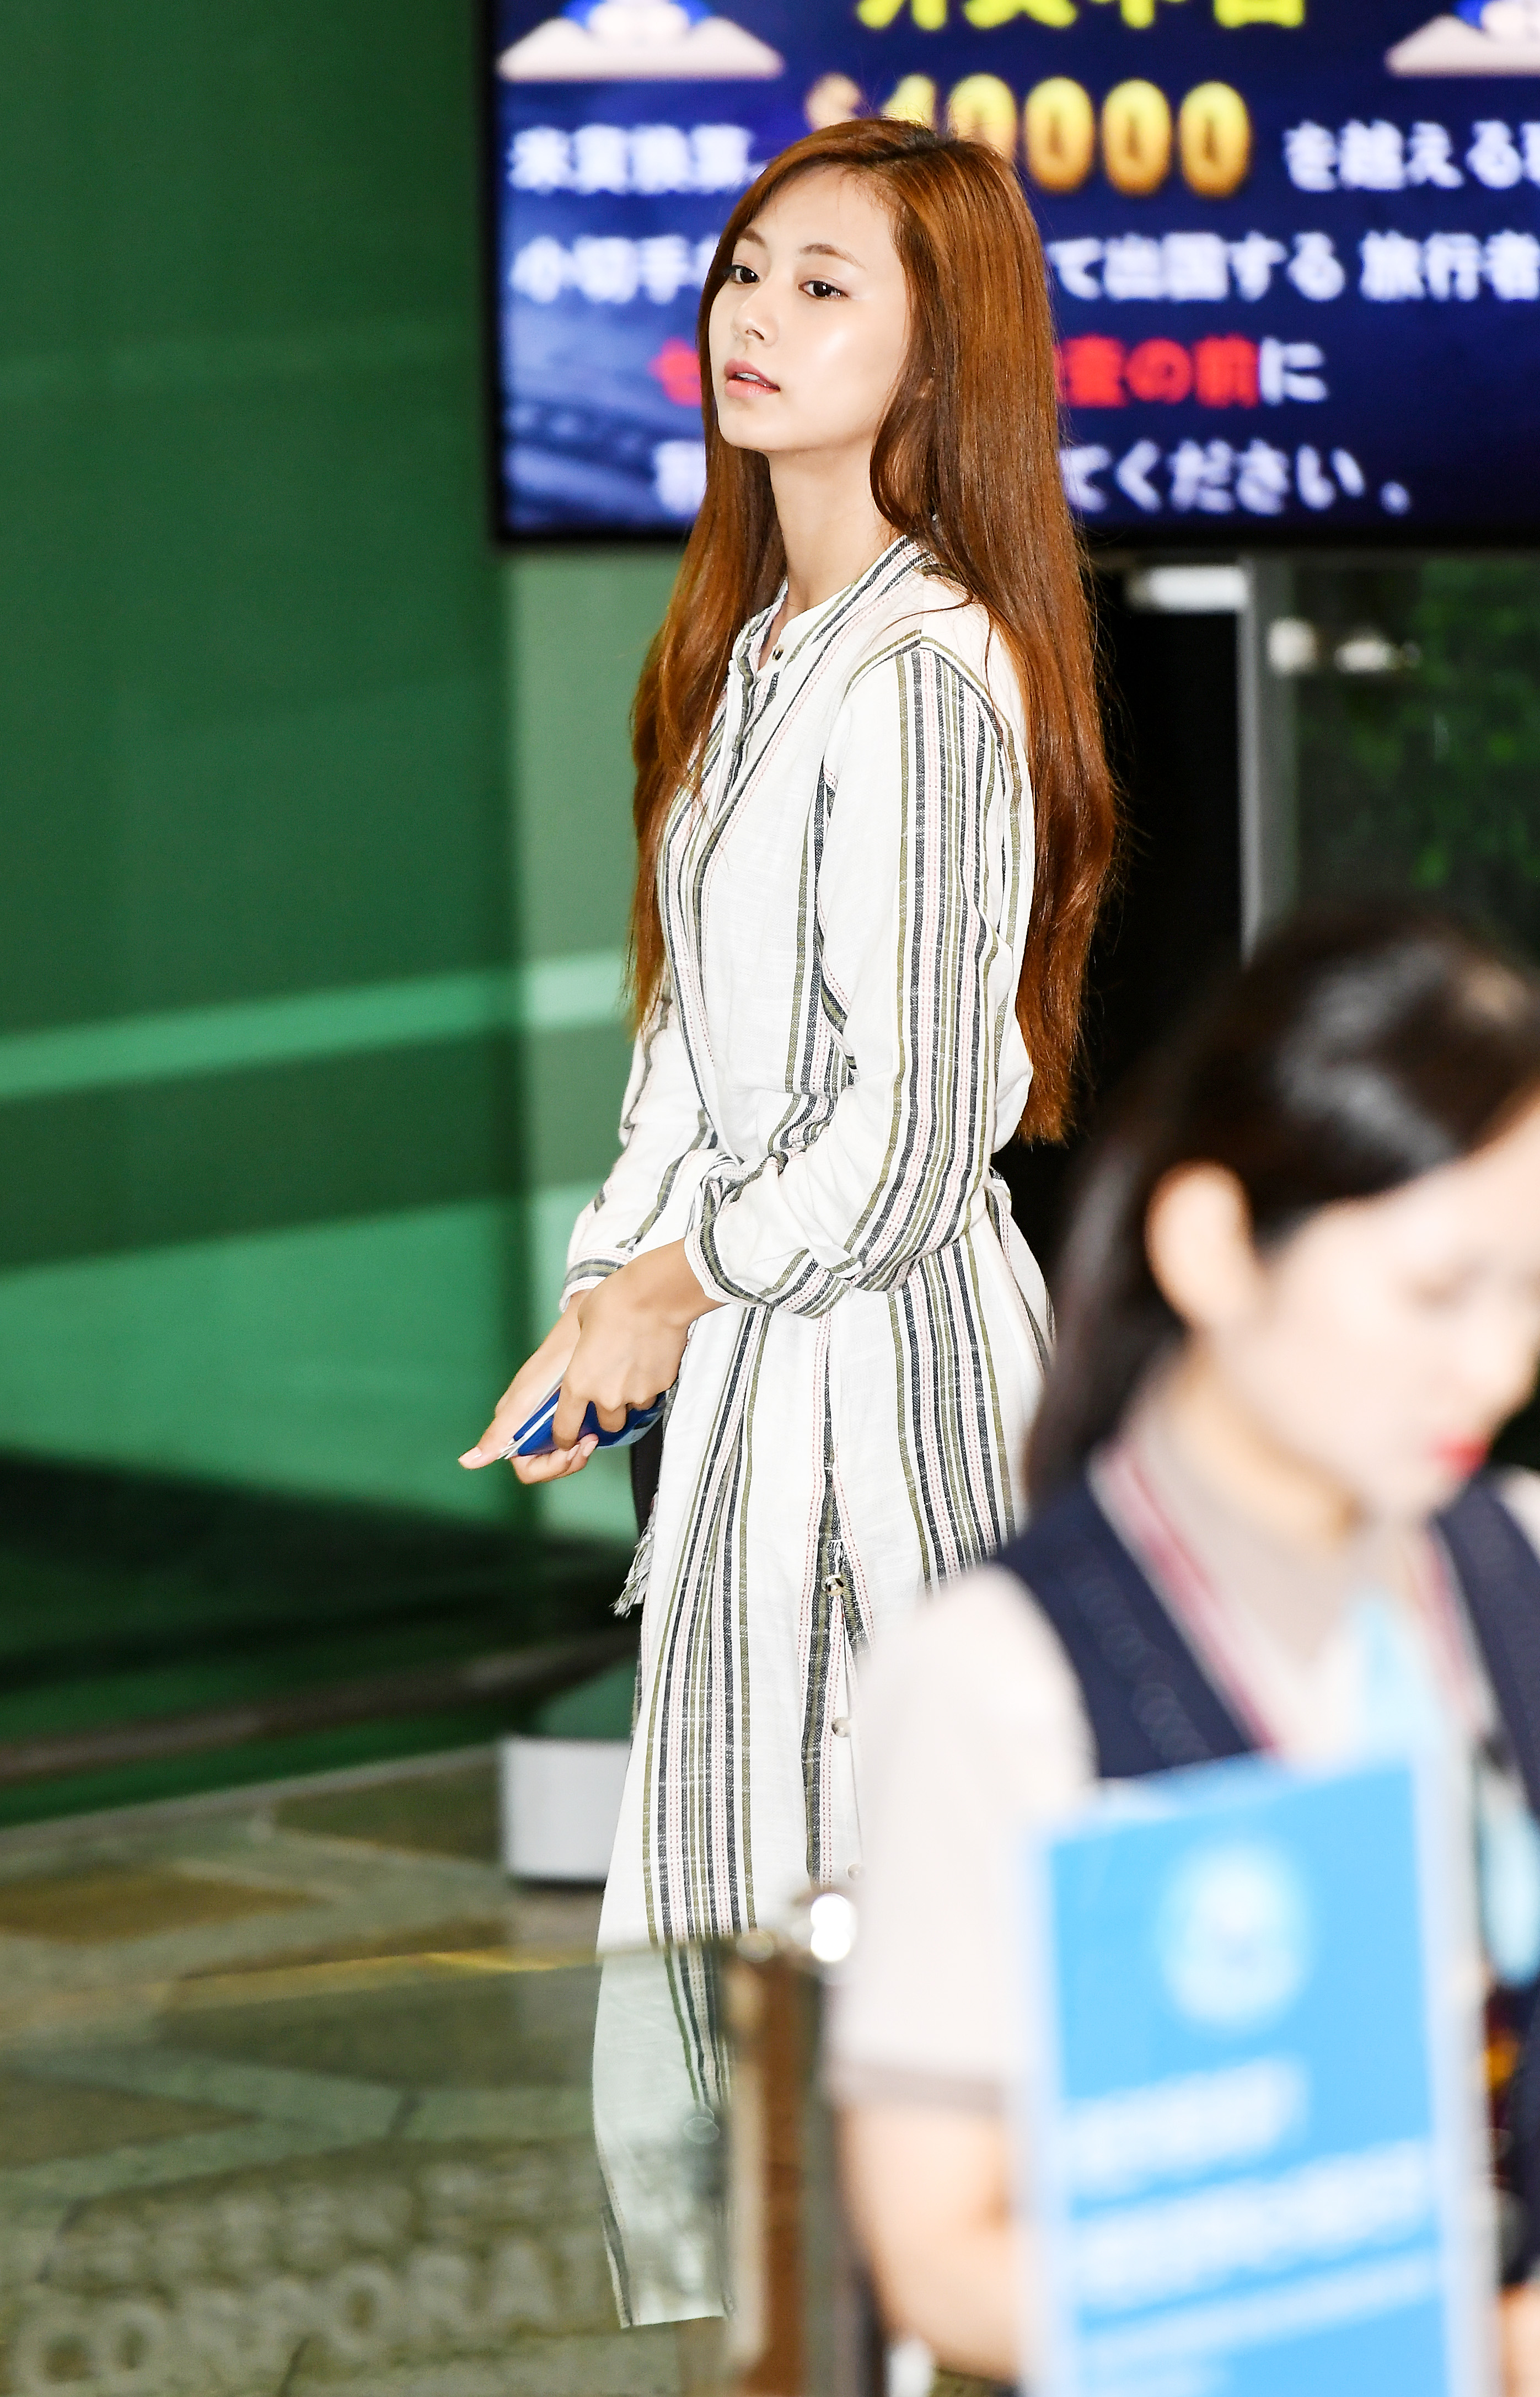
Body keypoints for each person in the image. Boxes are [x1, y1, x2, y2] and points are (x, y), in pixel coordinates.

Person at [830, 906, 1540, 2397]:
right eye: (1436, 1291)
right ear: (1213, 1244)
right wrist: (1427, 2354)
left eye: (1538, 1288)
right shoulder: (1004, 1676)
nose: (1499, 1365)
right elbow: (942, 2252)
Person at [461, 116, 1114, 1951]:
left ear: (940, 354)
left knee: (924, 1958)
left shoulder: (918, 674)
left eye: (822, 287)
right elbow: (693, 1044)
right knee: (750, 1950)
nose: (751, 314)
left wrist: (666, 1290)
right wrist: (607, 1298)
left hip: (888, 1389)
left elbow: (905, 1146)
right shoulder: (761, 646)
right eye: (745, 271)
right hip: (761, 1361)